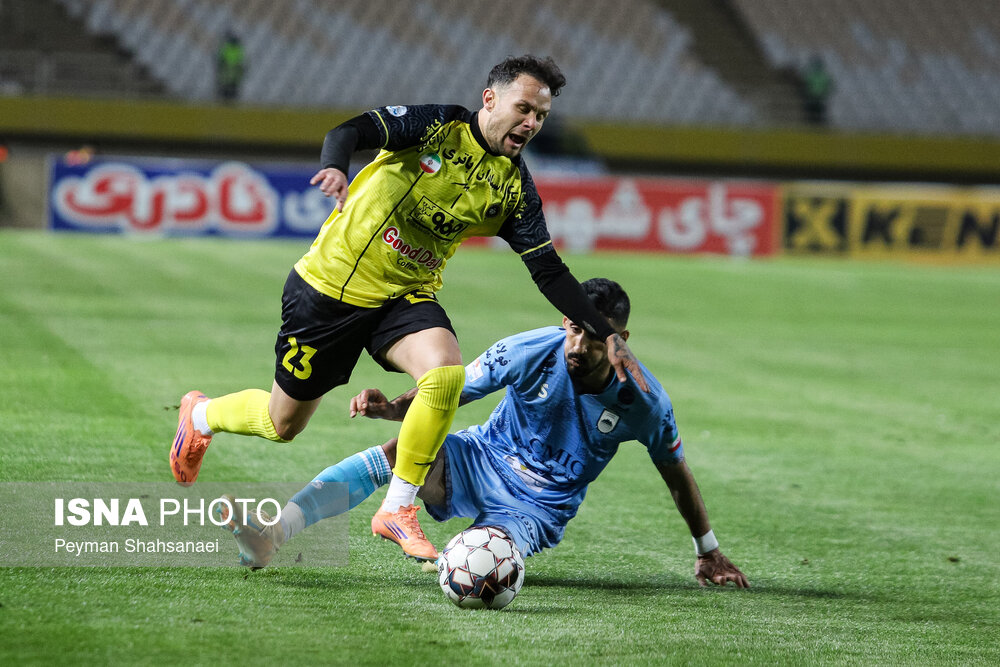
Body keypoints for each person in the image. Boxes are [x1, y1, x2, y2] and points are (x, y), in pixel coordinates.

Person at [170, 56, 647, 563]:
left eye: (541, 116)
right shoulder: (436, 127)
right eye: (524, 109)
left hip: (404, 295)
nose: (531, 123)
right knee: (281, 423)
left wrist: (606, 333)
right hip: (329, 287)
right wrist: (335, 165)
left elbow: (548, 270)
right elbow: (348, 131)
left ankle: (397, 508)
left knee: (445, 372)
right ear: (490, 100)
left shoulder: (513, 190)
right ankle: (200, 415)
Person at [215, 278, 749, 588]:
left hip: (539, 504)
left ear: (620, 338)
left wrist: (707, 549)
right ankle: (271, 537)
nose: (577, 345)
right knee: (396, 454)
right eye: (572, 327)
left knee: (481, 563)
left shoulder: (644, 401)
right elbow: (451, 390)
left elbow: (675, 472)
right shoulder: (530, 349)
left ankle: (479, 559)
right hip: (483, 455)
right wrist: (395, 409)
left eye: (593, 336)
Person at [216, 31, 245, 102]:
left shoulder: (230, 48)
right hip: (230, 69)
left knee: (230, 85)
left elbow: (222, 58)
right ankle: (227, 98)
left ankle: (229, 98)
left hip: (230, 69)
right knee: (228, 85)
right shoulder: (233, 48)